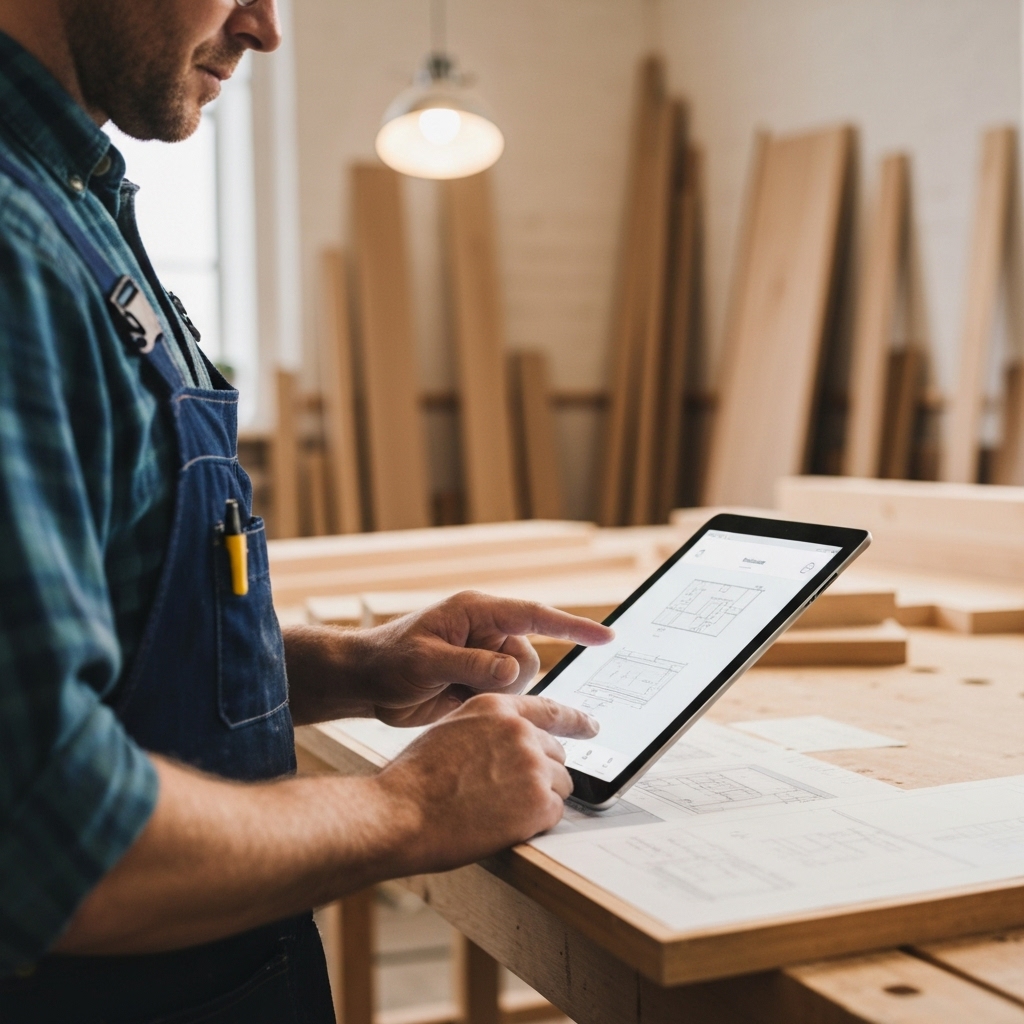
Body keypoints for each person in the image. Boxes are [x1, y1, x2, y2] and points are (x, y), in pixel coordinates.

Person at [0, 1, 613, 1020]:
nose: (264, 27)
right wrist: (409, 803)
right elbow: (48, 827)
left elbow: (114, 642)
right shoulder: (14, 244)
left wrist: (358, 665)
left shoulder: (72, 196)